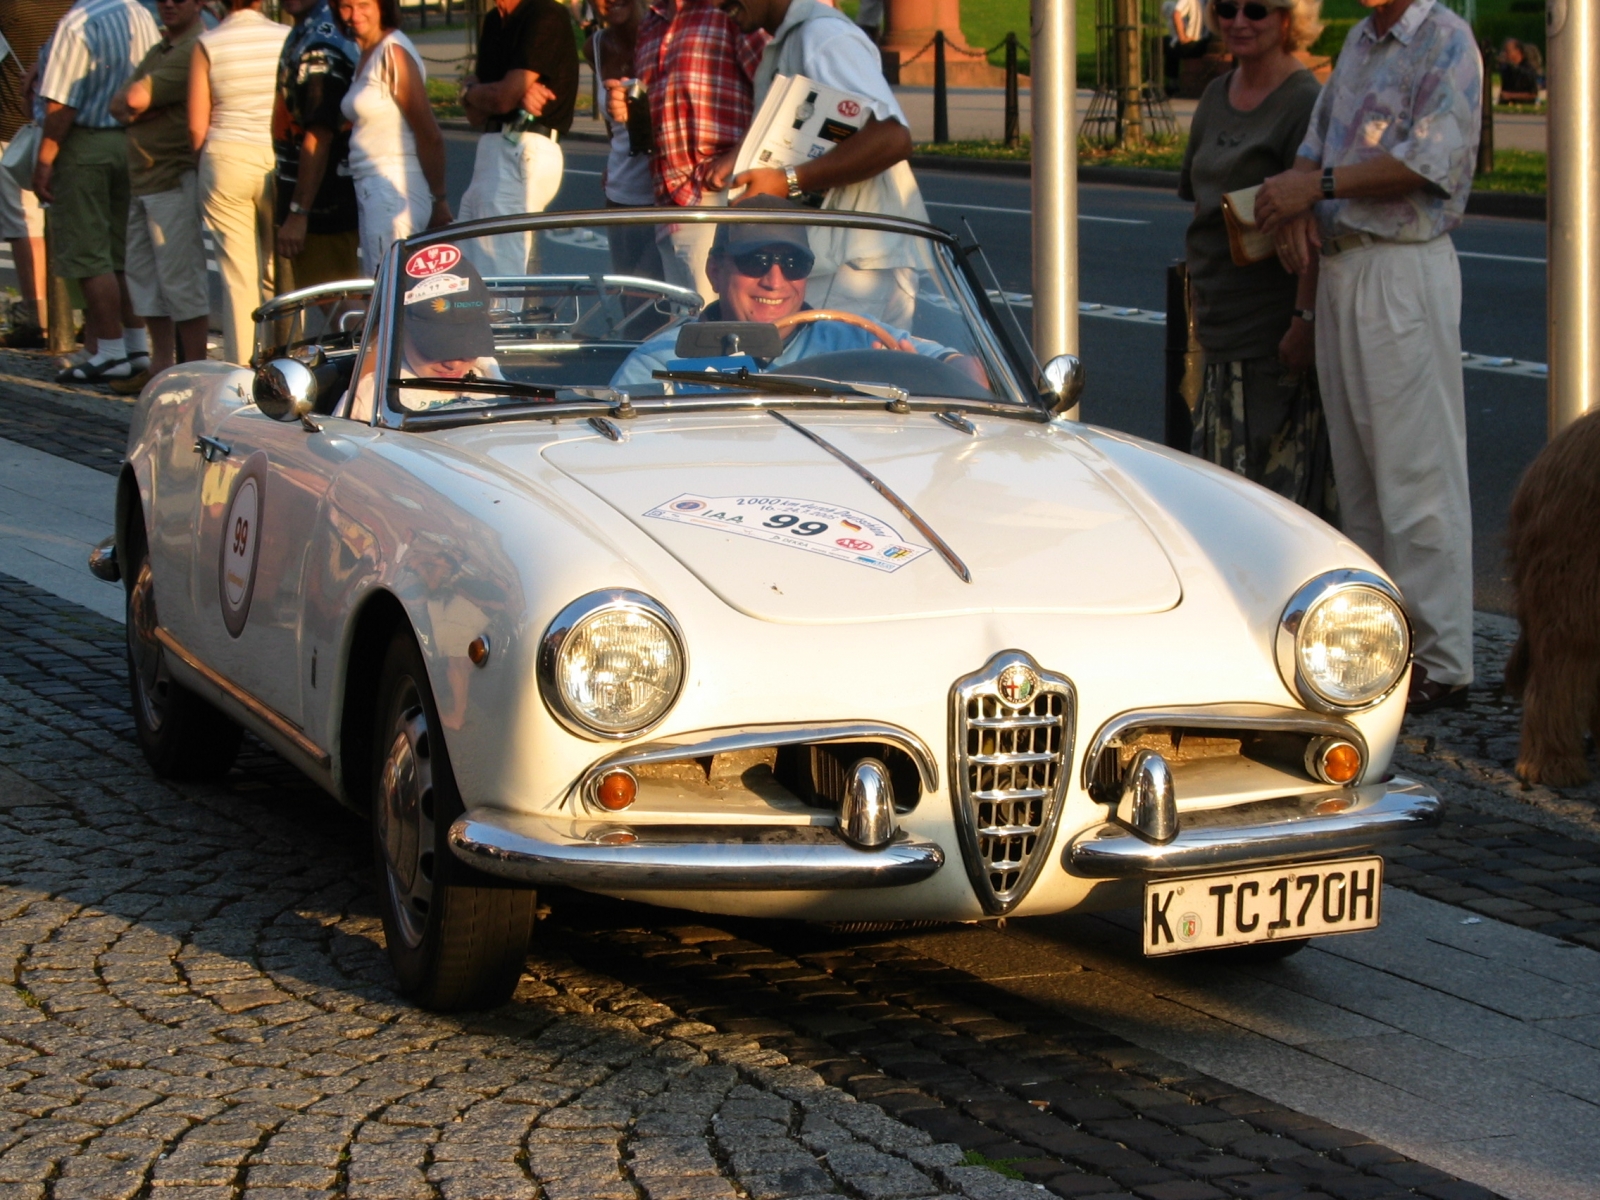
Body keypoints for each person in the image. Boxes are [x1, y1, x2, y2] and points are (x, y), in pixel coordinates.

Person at [1255, 0, 1481, 713]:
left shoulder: (1445, 39)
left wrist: (1313, 189)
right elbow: (1316, 148)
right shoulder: (1359, 41)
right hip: (1348, 264)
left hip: (1402, 265)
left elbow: (1429, 159)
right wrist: (1296, 203)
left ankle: (1442, 657)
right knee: (1358, 474)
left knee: (1416, 469)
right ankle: (1385, 646)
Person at [1179, 0, 1335, 520]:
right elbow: (1199, 202)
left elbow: (1314, 225)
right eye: (1226, 8)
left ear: (1290, 18)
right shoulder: (1214, 95)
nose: (1238, 21)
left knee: (1268, 504)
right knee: (1216, 492)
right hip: (1215, 326)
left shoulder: (1303, 101)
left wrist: (1304, 321)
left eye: (1257, 9)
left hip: (1271, 333)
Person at [611, 198, 982, 388]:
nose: (775, 280)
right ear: (715, 270)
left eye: (793, 264)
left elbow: (968, 370)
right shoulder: (661, 360)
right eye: (756, 261)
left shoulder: (859, 336)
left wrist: (922, 374)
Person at [721, 0, 927, 328]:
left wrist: (787, 180)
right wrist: (744, 155)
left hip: (854, 270)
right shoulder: (797, 38)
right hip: (843, 261)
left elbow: (891, 138)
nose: (718, 4)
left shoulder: (823, 37)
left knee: (825, 375)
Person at [605, 0, 767, 302]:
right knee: (690, 330)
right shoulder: (652, 23)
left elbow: (781, 92)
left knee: (722, 330)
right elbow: (665, 109)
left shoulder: (730, 9)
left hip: (720, 199)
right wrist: (629, 108)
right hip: (669, 201)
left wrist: (738, 155)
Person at [35, 0, 160, 384]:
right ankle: (135, 343)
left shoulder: (77, 24)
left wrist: (45, 159)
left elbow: (61, 104)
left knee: (90, 251)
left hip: (85, 141)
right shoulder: (139, 12)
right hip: (130, 141)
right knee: (122, 249)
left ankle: (109, 349)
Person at [111, 0, 211, 386]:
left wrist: (136, 108)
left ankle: (195, 374)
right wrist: (137, 108)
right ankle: (161, 366)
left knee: (180, 280)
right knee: (145, 279)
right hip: (145, 177)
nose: (168, 3)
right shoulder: (161, 49)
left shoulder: (193, 48)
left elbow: (131, 100)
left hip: (171, 175)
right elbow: (118, 103)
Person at [190, 0, 290, 365]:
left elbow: (195, 125)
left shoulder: (209, 43)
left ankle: (243, 369)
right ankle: (285, 360)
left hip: (226, 157)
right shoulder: (285, 37)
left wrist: (198, 165)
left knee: (237, 275)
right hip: (275, 157)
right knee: (276, 269)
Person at [458, 0, 578, 278]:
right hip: (493, 149)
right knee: (471, 272)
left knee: (498, 275)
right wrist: (481, 92)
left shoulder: (545, 13)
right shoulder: (493, 20)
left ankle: (505, 320)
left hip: (525, 148)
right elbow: (476, 114)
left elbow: (500, 100)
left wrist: (469, 90)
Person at [338, 0, 450, 278]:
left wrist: (440, 200)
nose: (354, 15)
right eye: (345, 6)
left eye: (363, 4)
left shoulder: (393, 54)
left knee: (389, 293)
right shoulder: (366, 52)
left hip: (394, 189)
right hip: (372, 187)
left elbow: (429, 133)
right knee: (380, 292)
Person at [273, 0, 362, 295]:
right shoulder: (307, 30)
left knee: (334, 301)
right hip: (321, 199)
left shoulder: (320, 46)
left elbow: (319, 134)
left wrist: (299, 212)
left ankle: (374, 343)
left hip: (326, 205)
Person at [0, 0, 74, 348]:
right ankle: (83, 318)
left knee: (22, 227)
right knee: (72, 223)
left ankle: (39, 320)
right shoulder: (78, 6)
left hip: (14, 128)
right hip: (68, 126)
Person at [587, 0, 662, 279]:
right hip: (619, 197)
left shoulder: (663, 38)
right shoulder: (594, 46)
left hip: (663, 198)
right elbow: (612, 121)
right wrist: (613, 157)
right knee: (628, 301)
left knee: (656, 301)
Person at [1163, 0, 1211, 94]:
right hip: (1204, 43)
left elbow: (1176, 14)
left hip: (1191, 44)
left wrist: (1182, 37)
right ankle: (1172, 81)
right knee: (1170, 43)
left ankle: (1170, 82)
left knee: (1159, 43)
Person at [1497, 38, 1540, 105]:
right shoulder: (1507, 70)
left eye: (1508, 51)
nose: (1505, 54)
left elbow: (1533, 94)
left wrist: (1511, 96)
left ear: (1518, 51)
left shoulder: (1528, 70)